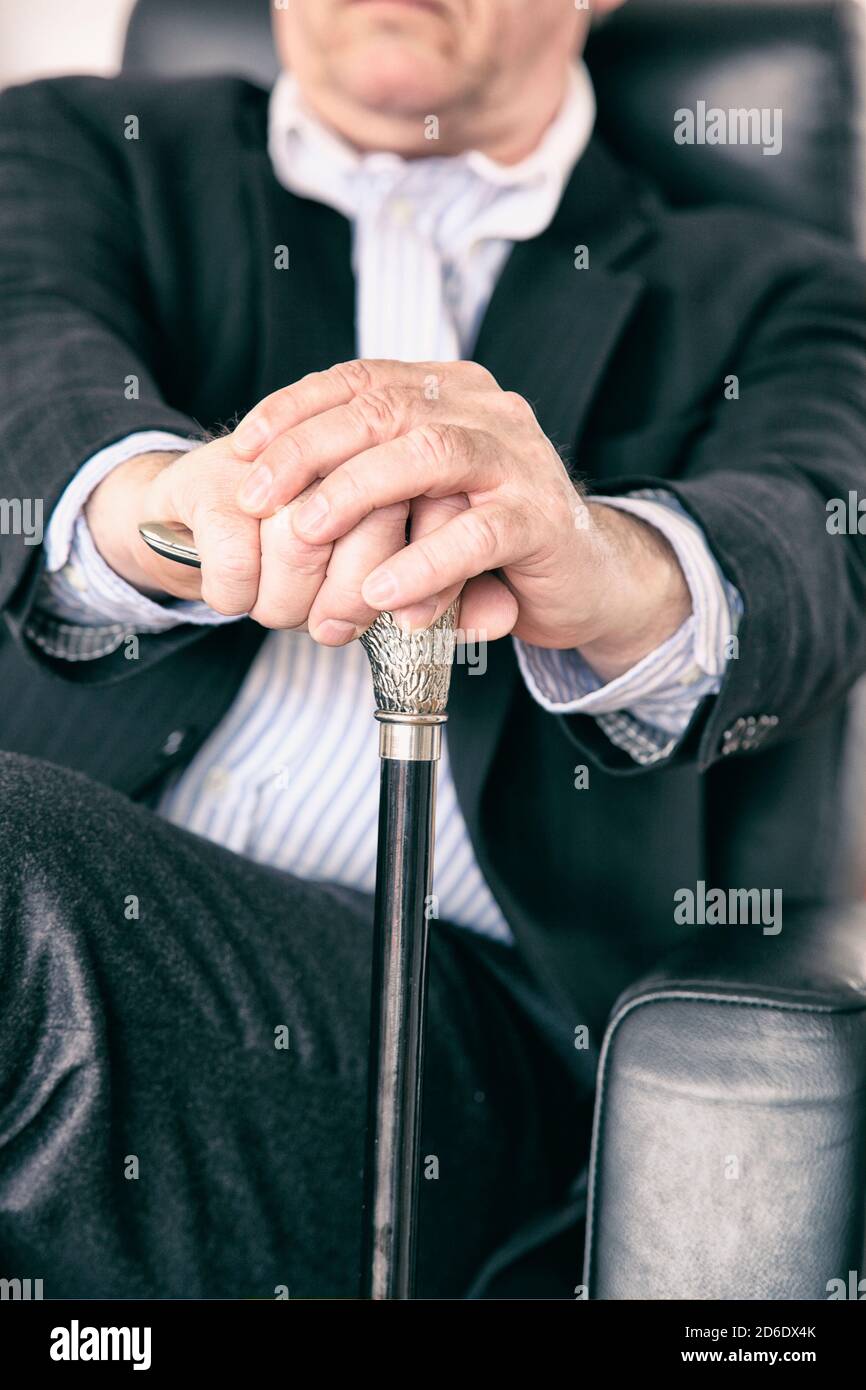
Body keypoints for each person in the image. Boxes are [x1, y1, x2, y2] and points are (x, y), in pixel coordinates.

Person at [0, 0, 864, 1298]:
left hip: (458, 1040)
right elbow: (26, 356)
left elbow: (818, 548)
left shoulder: (778, 284)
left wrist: (600, 556)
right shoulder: (76, 142)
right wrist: (167, 508)